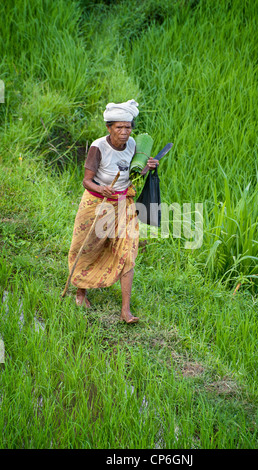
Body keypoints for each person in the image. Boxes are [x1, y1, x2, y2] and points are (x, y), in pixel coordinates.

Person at [67, 99, 158, 323]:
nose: (124, 132)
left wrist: (148, 166)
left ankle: (125, 310)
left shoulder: (134, 144)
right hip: (97, 202)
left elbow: (136, 172)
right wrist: (102, 189)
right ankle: (81, 292)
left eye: (128, 127)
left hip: (123, 203)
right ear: (109, 128)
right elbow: (86, 181)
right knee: (87, 246)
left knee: (128, 252)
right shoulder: (99, 147)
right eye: (119, 127)